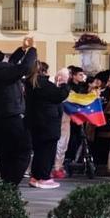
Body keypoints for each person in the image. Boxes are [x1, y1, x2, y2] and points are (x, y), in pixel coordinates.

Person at [0, 36, 38, 186]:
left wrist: (22, 49)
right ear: (1, 61)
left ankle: (7, 186)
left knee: (6, 155)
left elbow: (12, 63)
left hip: (1, 121)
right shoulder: (5, 74)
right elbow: (25, 67)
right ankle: (11, 184)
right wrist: (32, 49)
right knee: (24, 151)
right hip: (13, 120)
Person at [25, 61, 66, 189]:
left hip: (36, 122)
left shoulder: (31, 83)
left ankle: (35, 177)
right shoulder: (42, 83)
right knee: (47, 152)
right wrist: (64, 83)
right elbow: (59, 95)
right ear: (42, 71)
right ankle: (44, 177)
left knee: (39, 151)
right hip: (48, 123)